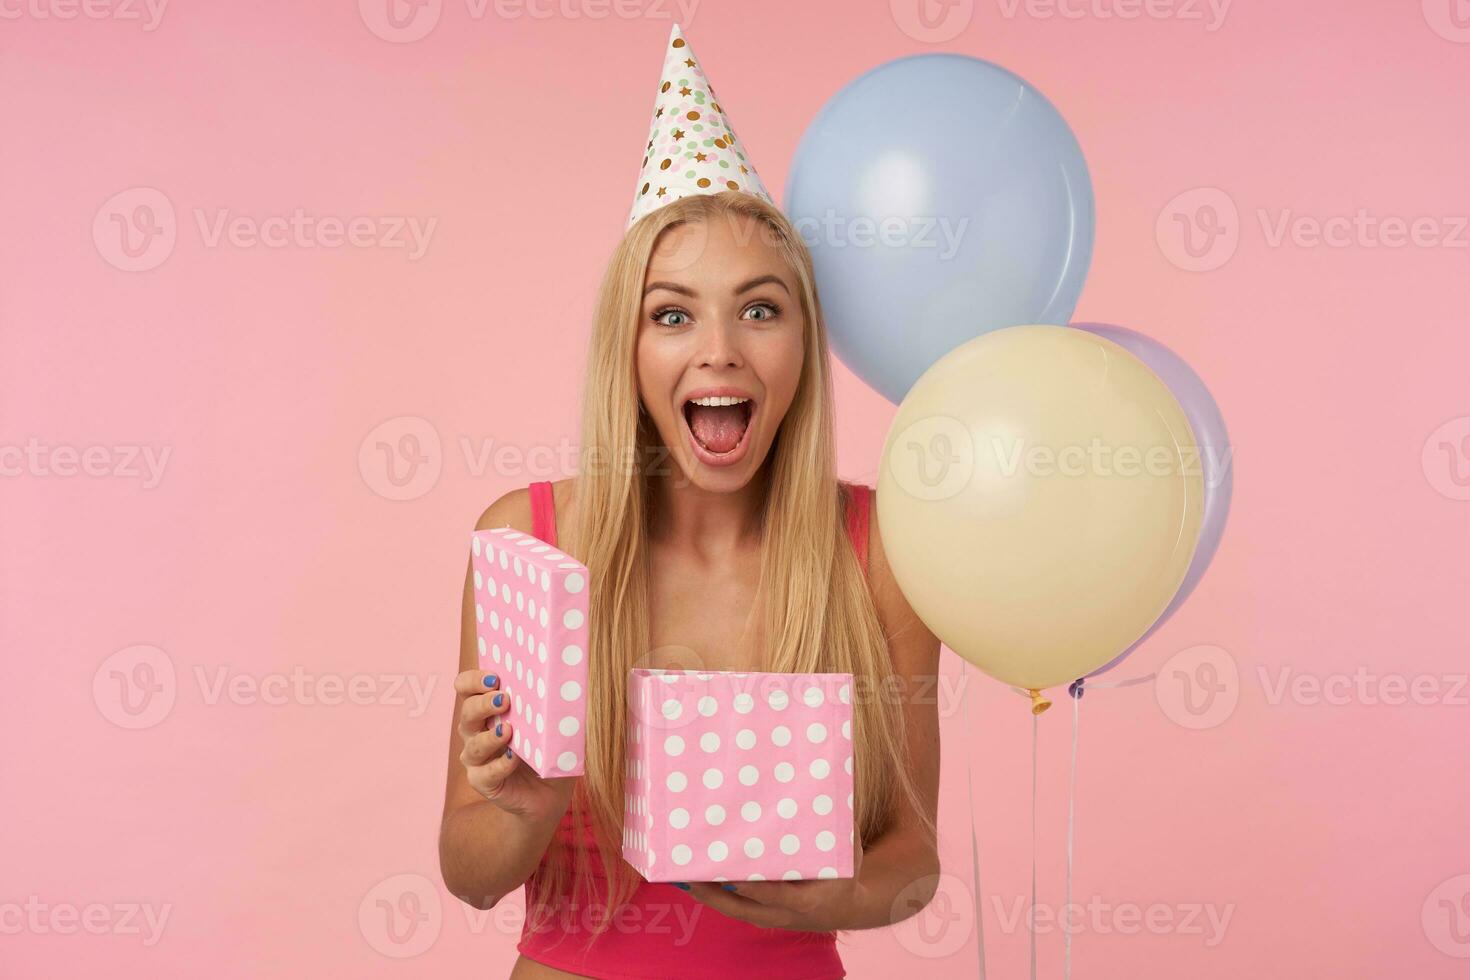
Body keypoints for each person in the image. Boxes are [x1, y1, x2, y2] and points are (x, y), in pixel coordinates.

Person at [439, 25, 941, 979]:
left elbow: (913, 863)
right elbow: (467, 875)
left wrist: (820, 900)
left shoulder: (881, 550)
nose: (719, 350)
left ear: (803, 343)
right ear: (628, 351)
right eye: (673, 313)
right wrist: (524, 801)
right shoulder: (530, 544)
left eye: (760, 308)